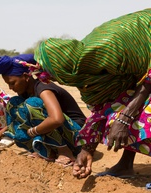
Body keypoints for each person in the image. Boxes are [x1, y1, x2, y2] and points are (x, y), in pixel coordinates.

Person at [34, 8, 151, 178]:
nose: (55, 81)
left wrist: (125, 118)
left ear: (64, 68)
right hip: (140, 64)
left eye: (53, 75)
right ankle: (125, 165)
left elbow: (148, 78)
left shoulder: (110, 49)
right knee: (120, 107)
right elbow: (102, 107)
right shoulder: (86, 67)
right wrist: (86, 150)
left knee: (135, 113)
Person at [0, 54, 86, 165]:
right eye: (8, 84)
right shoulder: (25, 93)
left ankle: (65, 151)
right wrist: (1, 132)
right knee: (13, 104)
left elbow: (57, 119)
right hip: (63, 133)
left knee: (32, 104)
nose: (10, 88)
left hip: (80, 137)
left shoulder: (43, 88)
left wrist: (32, 132)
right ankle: (45, 151)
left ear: (26, 76)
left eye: (12, 83)